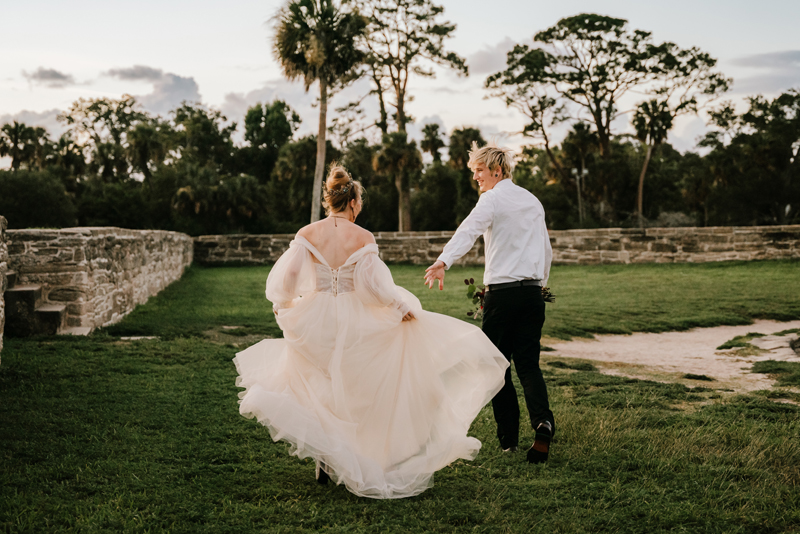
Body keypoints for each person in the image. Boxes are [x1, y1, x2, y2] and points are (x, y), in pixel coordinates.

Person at [234, 165, 509, 499]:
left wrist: (286, 304)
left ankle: (326, 455)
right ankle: (350, 453)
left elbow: (287, 281)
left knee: (320, 382)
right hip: (353, 317)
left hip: (316, 316)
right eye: (359, 201)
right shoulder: (362, 238)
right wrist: (399, 309)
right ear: (352, 202)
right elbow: (371, 286)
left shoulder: (307, 234)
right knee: (356, 386)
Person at [424, 142, 555, 464]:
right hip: (532, 293)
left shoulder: (493, 199)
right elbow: (546, 248)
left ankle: (509, 439)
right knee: (528, 363)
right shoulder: (532, 200)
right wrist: (541, 284)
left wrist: (444, 261)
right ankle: (543, 421)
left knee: (498, 366)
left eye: (479, 171)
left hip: (503, 294)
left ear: (497, 170)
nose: (476, 178)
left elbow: (469, 231)